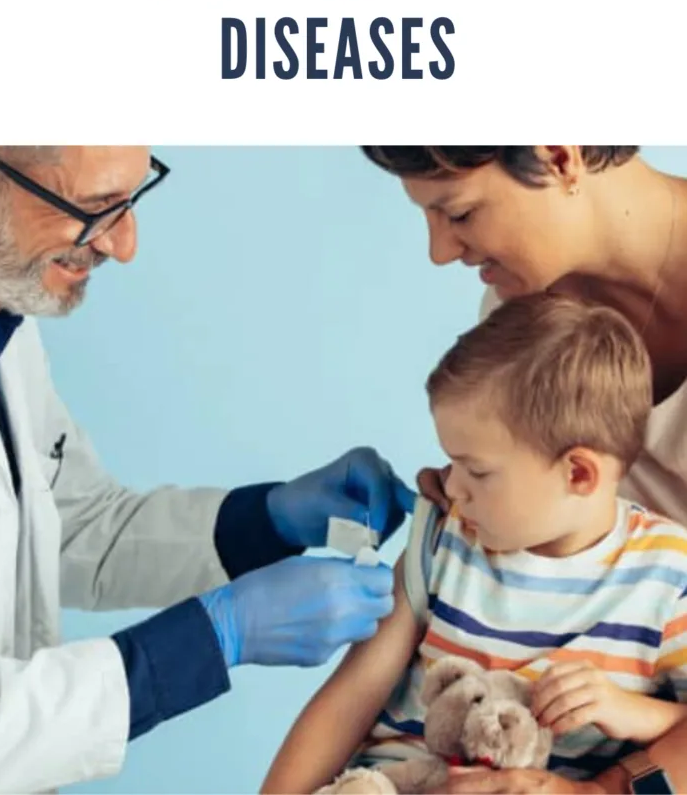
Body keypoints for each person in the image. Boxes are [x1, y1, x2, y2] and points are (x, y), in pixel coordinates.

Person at [0, 146, 413, 795]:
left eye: (133, 198)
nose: (124, 244)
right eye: (96, 208)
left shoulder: (3, 318)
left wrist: (267, 521)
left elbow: (71, 526)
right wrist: (213, 637)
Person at [357, 145, 687, 794]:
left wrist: (607, 789)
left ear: (558, 155)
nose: (441, 252)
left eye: (459, 212)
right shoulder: (526, 320)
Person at [261, 294, 687, 795]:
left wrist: (638, 713)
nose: (451, 485)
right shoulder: (446, 538)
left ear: (578, 472)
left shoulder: (667, 577)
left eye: (477, 470)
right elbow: (350, 696)